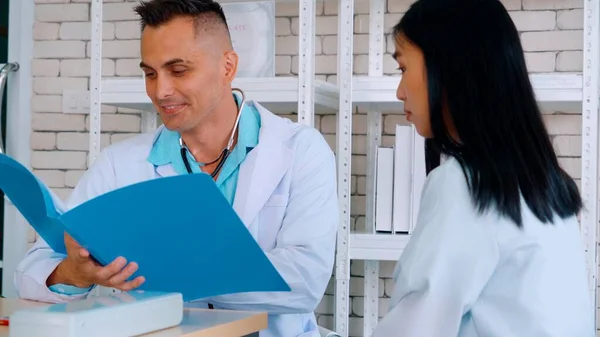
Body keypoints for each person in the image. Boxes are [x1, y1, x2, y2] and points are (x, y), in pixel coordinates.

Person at [14, 0, 338, 336]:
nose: (160, 90)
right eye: (150, 73)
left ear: (227, 67)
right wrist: (74, 274)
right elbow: (31, 272)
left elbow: (306, 279)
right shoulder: (118, 163)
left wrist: (171, 270)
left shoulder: (300, 150)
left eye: (178, 70)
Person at [372, 0, 595, 336]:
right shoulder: (544, 181)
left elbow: (416, 328)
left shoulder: (465, 183)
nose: (400, 91)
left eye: (403, 69)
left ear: (449, 67)